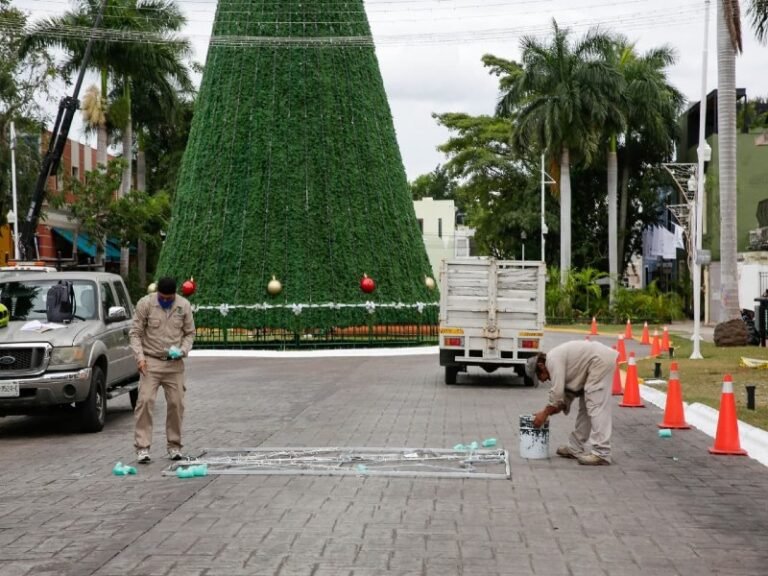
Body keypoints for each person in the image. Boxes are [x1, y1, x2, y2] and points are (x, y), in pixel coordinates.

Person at [129, 277, 195, 463]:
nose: (165, 300)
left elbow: (190, 333)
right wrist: (140, 358)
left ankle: (174, 446)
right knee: (145, 401)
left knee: (176, 403)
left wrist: (183, 350)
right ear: (157, 293)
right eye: (162, 297)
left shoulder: (183, 305)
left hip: (174, 363)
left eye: (169, 298)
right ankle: (143, 447)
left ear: (175, 294)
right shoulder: (146, 304)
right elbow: (135, 333)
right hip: (151, 361)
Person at [525, 340, 618, 466]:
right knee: (585, 408)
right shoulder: (555, 361)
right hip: (595, 363)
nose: (543, 380)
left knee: (596, 405)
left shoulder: (552, 360)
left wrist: (545, 413)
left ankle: (602, 452)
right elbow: (564, 397)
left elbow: (557, 393)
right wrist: (553, 409)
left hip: (598, 361)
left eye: (540, 377)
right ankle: (575, 448)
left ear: (541, 367)